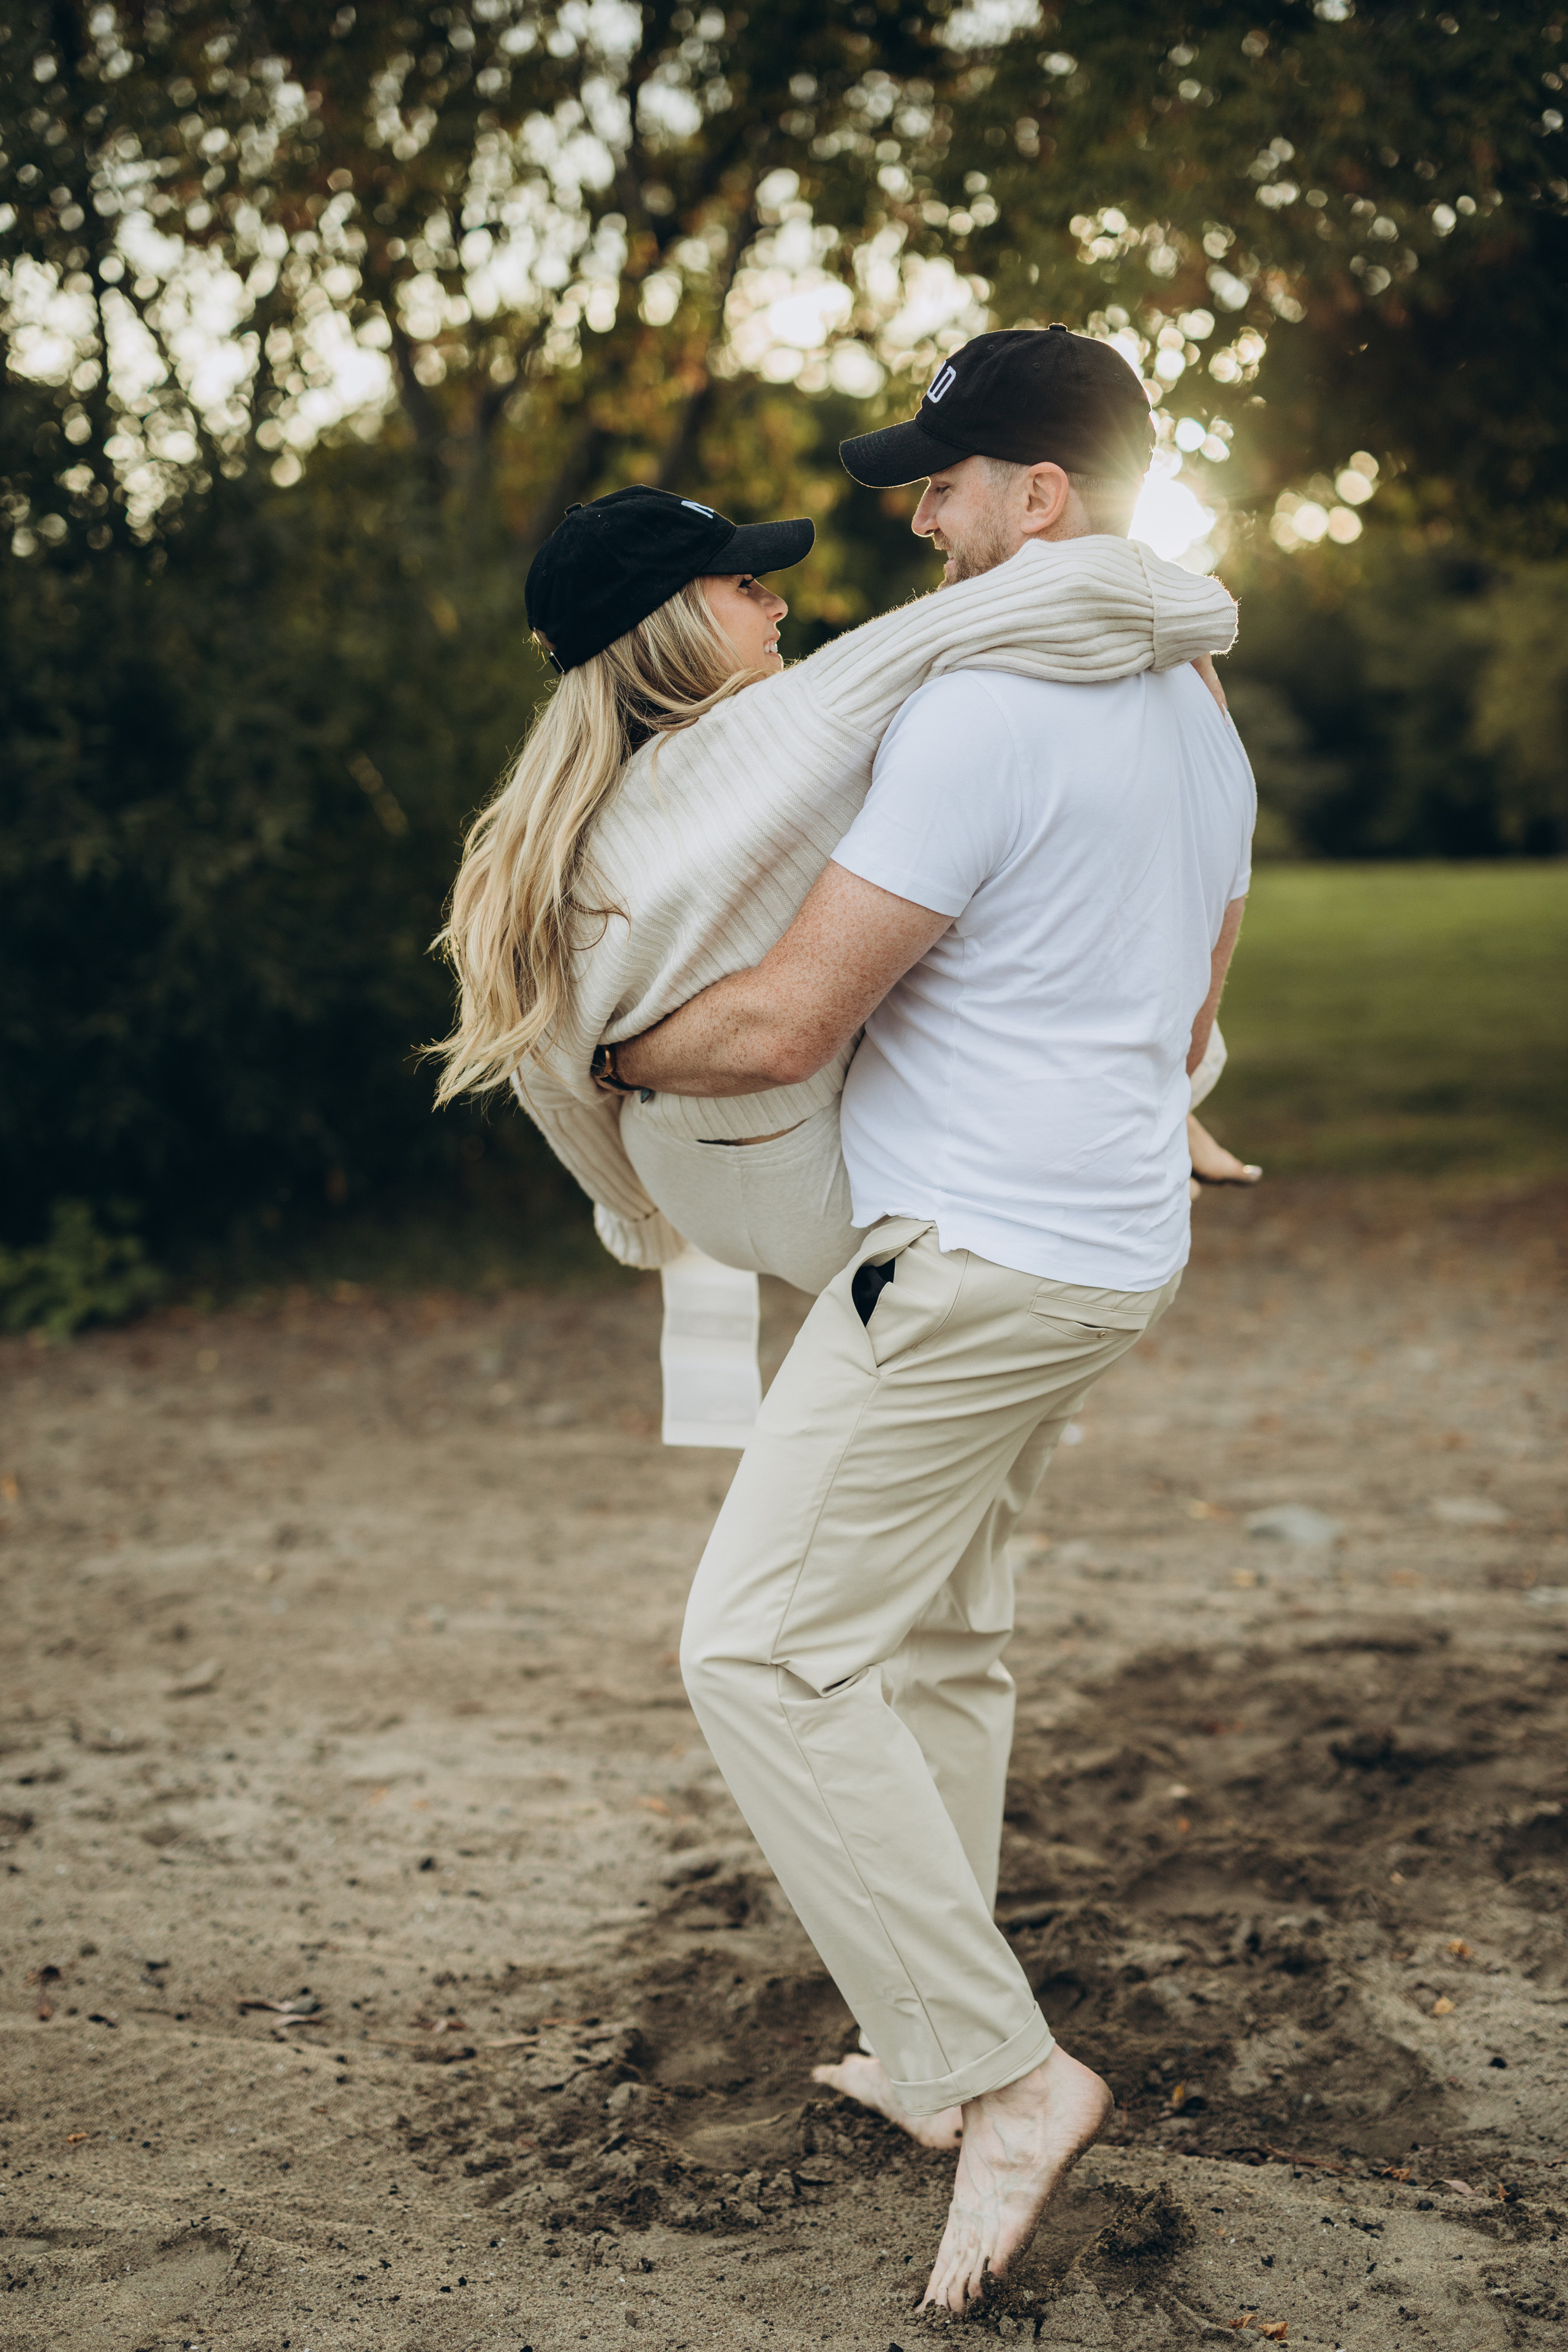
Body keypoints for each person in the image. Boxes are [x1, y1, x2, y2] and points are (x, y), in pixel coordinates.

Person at [608, 327, 1258, 2310]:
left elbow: (795, 1015)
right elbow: (1204, 977)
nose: (916, 515)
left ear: (1042, 499)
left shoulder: (978, 714)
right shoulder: (1200, 716)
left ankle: (998, 2070)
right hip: (1104, 1248)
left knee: (760, 1649)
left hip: (971, 1258)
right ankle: (921, 2038)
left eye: (945, 484)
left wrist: (608, 1054)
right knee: (948, 1629)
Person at [432, 436, 1246, 1297]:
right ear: (666, 621)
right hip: (838, 1197)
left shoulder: (551, 835)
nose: (777, 603)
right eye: (745, 586)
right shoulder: (781, 734)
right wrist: (1191, 615)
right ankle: (1174, 1112)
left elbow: (547, 1072)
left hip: (683, 1173)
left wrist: (634, 1214)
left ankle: (1174, 1115)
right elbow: (992, 613)